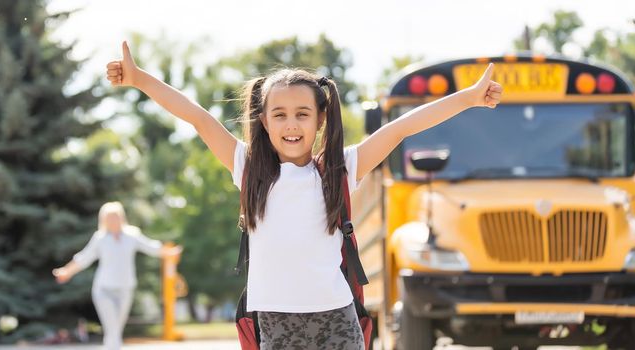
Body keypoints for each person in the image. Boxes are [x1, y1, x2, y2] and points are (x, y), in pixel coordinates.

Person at [105, 41, 502, 349]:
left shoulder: (341, 169)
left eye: (302, 114)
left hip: (337, 320)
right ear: (263, 120)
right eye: (279, 114)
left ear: (320, 119)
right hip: (276, 322)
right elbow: (197, 117)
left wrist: (467, 98)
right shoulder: (247, 167)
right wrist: (141, 80)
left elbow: (400, 129)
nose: (291, 124)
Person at [52, 201, 180, 350]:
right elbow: (83, 258)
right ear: (104, 220)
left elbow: (151, 247)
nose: (113, 220)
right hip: (103, 290)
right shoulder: (100, 238)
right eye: (110, 218)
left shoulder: (132, 235)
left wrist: (169, 253)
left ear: (122, 217)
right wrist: (67, 271)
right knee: (112, 328)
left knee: (116, 329)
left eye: (116, 217)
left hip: (125, 288)